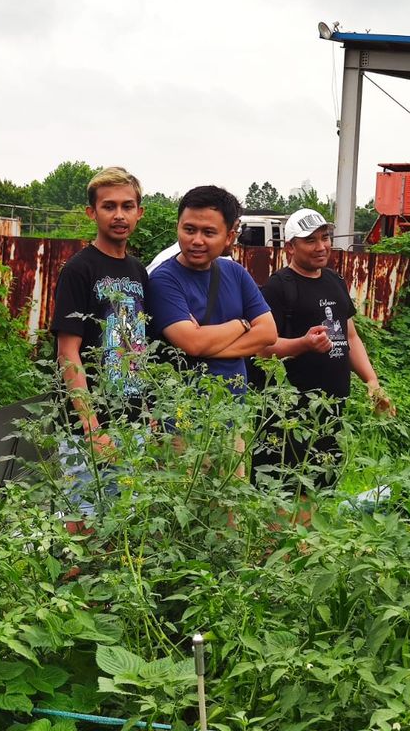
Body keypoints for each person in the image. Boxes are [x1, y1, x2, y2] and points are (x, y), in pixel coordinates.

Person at [257, 207, 393, 489]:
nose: (321, 247)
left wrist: (371, 380)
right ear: (291, 247)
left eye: (325, 237)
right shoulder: (278, 287)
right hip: (289, 414)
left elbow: (351, 337)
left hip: (332, 410)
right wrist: (303, 344)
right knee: (284, 490)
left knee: (321, 488)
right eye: (310, 241)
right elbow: (262, 348)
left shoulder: (335, 281)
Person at [50, 166, 148, 513]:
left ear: (139, 211)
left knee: (126, 521)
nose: (119, 215)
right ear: (92, 212)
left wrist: (147, 410)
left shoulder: (138, 271)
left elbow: (141, 345)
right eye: (109, 206)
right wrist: (92, 428)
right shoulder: (79, 269)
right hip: (89, 426)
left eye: (127, 206)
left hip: (132, 420)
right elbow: (67, 351)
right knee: (84, 523)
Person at [147, 185, 276, 395]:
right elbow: (193, 342)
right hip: (185, 413)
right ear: (177, 227)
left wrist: (208, 347)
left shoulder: (235, 272)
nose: (197, 240)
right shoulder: (163, 279)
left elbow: (268, 332)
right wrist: (242, 323)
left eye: (208, 232)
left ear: (228, 237)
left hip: (235, 413)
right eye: (189, 230)